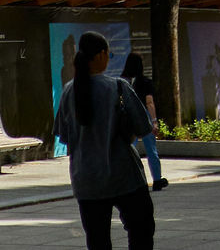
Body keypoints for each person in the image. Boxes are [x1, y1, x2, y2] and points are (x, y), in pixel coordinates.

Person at [54, 31, 155, 250]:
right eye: (108, 54)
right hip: (123, 176)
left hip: (86, 180)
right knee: (141, 229)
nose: (108, 58)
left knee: (97, 240)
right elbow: (143, 127)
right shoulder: (118, 87)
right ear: (100, 55)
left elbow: (64, 136)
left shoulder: (68, 91)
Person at [120, 53, 168, 192]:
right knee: (151, 149)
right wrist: (154, 121)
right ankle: (157, 180)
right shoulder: (145, 82)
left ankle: (128, 179)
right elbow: (149, 102)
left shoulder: (121, 82)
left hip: (128, 116)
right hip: (144, 115)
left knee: (130, 148)